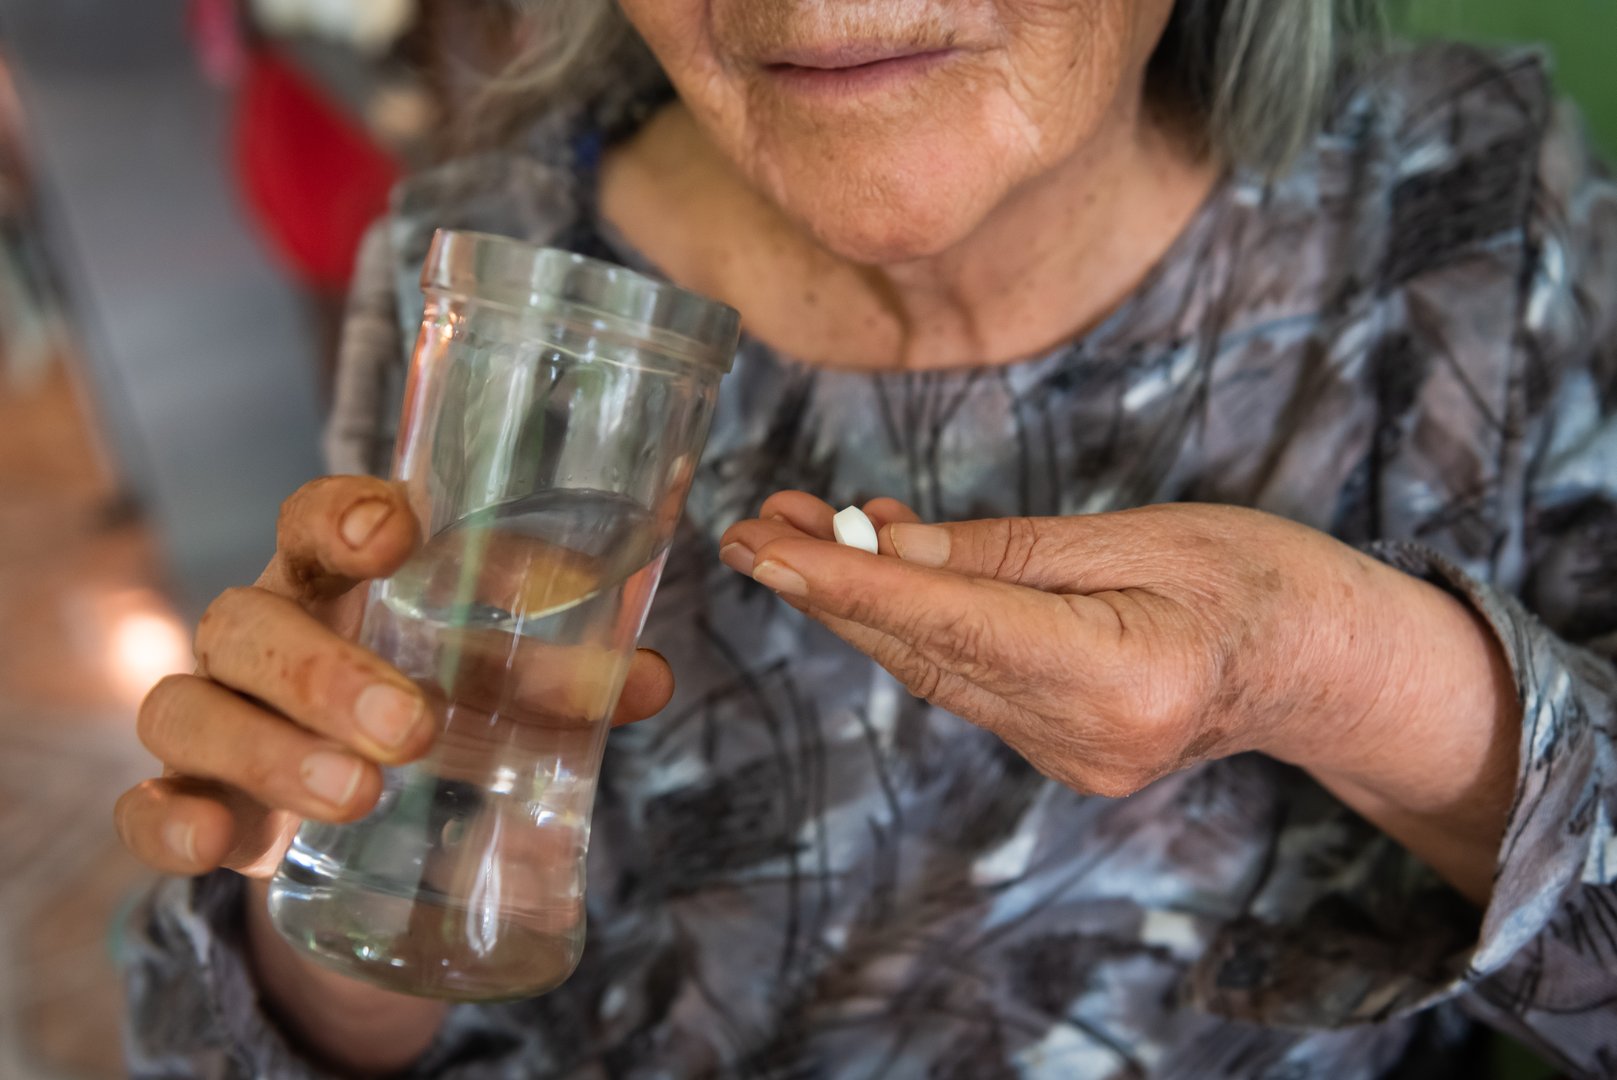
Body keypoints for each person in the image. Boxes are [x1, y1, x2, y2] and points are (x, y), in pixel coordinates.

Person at [116, 1, 1617, 1076]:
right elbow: (396, 962)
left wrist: (1325, 670)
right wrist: (344, 869)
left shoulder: (1462, 207)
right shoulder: (493, 272)